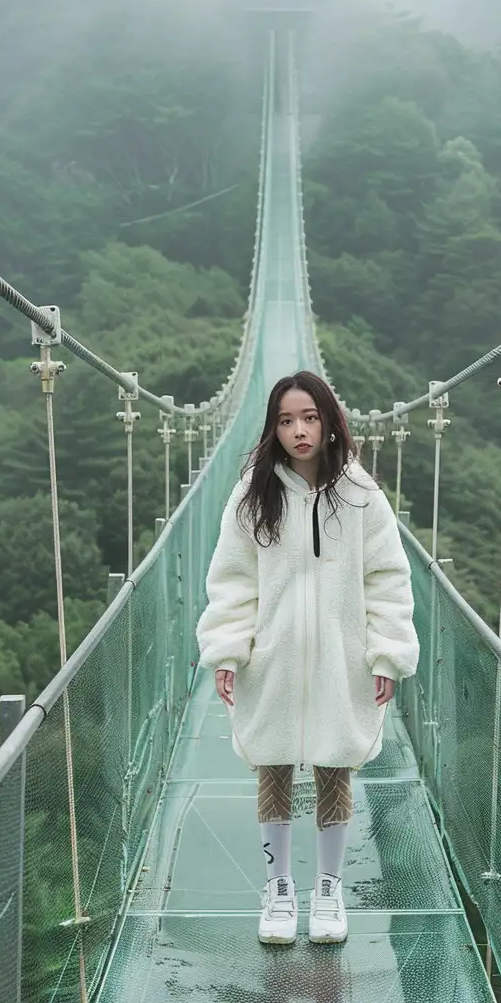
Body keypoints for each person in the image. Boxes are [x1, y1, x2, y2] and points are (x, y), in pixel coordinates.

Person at [196, 372, 419, 948]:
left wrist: (387, 654)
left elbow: (388, 578)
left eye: (311, 418)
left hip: (339, 658)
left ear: (329, 422)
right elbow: (233, 581)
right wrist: (226, 649)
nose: (299, 430)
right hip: (271, 659)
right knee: (271, 768)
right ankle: (277, 890)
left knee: (333, 768)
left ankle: (327, 888)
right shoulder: (252, 495)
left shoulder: (362, 495)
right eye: (287, 420)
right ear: (274, 427)